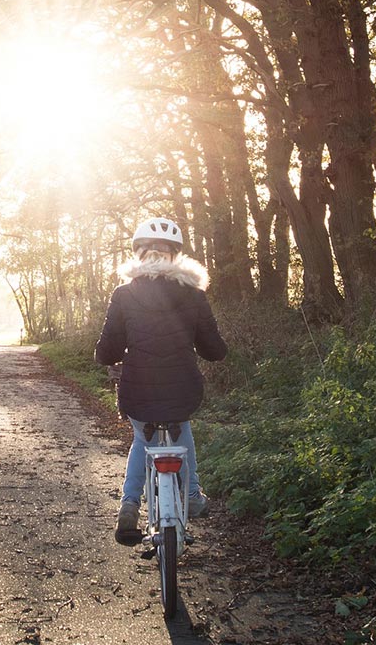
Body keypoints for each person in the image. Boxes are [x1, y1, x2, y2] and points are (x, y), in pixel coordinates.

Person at [94, 217, 228, 545]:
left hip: (136, 389)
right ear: (175, 256)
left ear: (139, 255)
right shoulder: (193, 293)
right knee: (182, 428)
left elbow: (107, 349)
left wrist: (106, 355)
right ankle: (192, 495)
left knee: (142, 439)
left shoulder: (124, 293)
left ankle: (129, 505)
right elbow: (214, 350)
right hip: (182, 387)